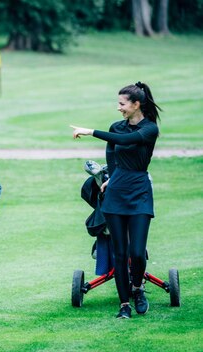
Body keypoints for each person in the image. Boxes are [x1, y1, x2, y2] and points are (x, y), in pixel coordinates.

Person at [70, 82, 162, 319]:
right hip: (115, 196)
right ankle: (124, 305)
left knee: (137, 252)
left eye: (122, 104)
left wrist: (91, 132)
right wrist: (111, 177)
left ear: (136, 104)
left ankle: (138, 289)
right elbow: (111, 153)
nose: (118, 108)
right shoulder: (116, 127)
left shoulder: (149, 129)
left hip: (140, 193)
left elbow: (126, 142)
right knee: (119, 254)